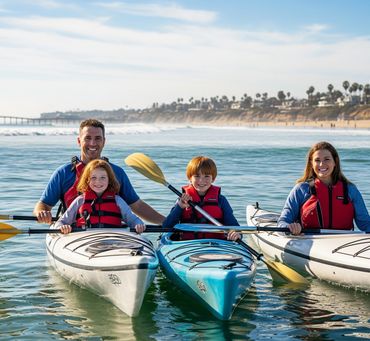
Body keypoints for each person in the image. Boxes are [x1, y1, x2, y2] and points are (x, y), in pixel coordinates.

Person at [33, 119, 164, 225]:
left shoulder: (117, 172)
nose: (92, 143)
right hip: (73, 233)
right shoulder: (63, 173)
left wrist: (168, 222)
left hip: (111, 231)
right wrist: (42, 212)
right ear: (79, 141)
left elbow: (137, 206)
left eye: (97, 138)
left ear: (104, 141)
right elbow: (43, 204)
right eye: (87, 138)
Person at [278, 141, 370, 235]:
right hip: (308, 241)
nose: (321, 164)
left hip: (344, 242)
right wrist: (290, 227)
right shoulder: (301, 190)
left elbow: (365, 223)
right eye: (317, 160)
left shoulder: (350, 190)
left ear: (335, 162)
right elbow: (283, 221)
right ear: (311, 164)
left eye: (327, 159)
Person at [55, 159, 145, 234]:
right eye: (93, 178)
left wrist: (138, 224)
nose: (98, 182)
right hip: (85, 239)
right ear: (87, 180)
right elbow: (61, 222)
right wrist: (63, 227)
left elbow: (133, 220)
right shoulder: (80, 201)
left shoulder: (118, 200)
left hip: (114, 239)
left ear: (109, 180)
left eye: (103, 178)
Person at [162, 156, 241, 241]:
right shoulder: (181, 200)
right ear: (190, 178)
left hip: (217, 244)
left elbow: (234, 226)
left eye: (206, 176)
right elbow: (167, 226)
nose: (201, 180)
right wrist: (180, 207)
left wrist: (236, 234)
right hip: (188, 244)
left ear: (213, 178)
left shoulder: (221, 200)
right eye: (197, 176)